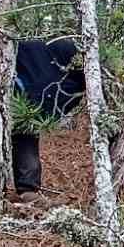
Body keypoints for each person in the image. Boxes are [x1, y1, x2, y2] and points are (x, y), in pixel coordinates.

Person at [11, 37, 86, 197]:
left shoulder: (63, 51)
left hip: (40, 87)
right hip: (29, 96)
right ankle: (28, 191)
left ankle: (28, 189)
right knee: (23, 133)